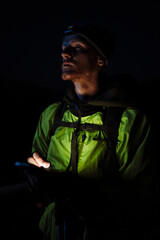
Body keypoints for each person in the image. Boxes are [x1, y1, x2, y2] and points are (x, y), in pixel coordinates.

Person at [27, 24, 151, 240]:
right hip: (53, 232)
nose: (65, 53)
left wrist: (89, 197)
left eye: (78, 47)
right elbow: (36, 168)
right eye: (64, 47)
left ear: (100, 59)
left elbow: (142, 195)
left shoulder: (129, 119)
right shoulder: (52, 115)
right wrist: (36, 172)